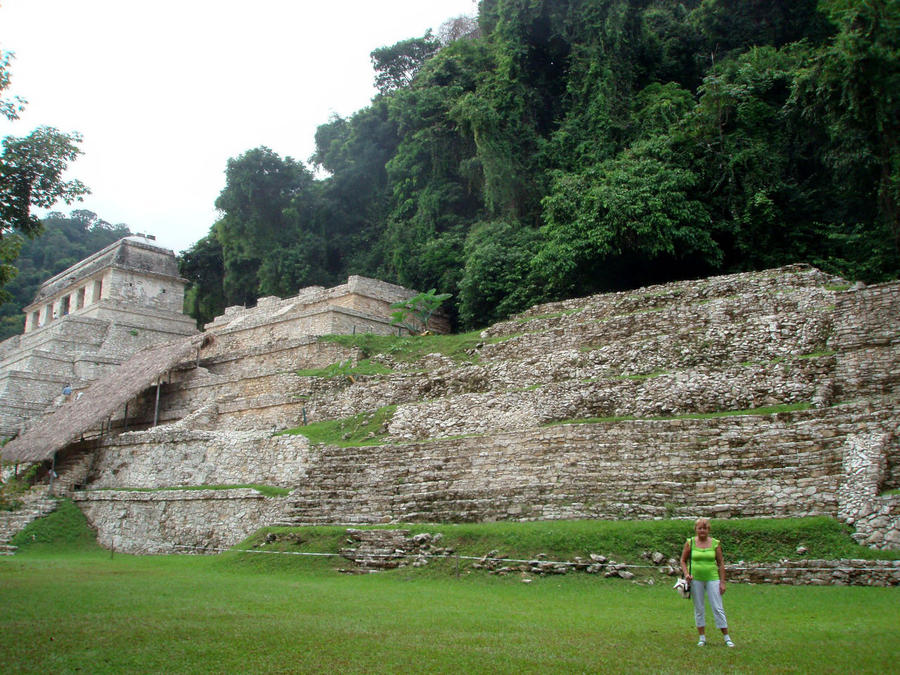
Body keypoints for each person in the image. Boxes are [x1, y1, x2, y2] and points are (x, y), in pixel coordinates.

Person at [680, 517, 735, 647]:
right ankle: (702, 637)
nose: (702, 531)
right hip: (696, 579)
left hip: (712, 577)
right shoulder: (691, 543)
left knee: (717, 607)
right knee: (699, 607)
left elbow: (720, 563)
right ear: (696, 530)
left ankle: (726, 637)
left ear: (708, 529)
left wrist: (722, 582)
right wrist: (686, 574)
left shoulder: (715, 543)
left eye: (705, 528)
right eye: (700, 528)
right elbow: (683, 560)